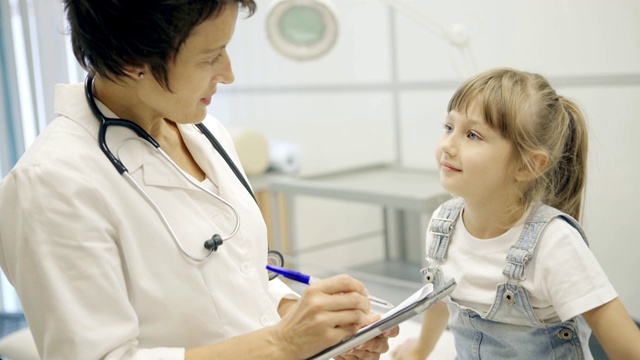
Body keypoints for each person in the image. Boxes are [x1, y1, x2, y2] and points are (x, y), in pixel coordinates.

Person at [0, 1, 398, 359]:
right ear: (129, 60)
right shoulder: (51, 184)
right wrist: (284, 344)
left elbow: (238, 278)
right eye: (210, 57)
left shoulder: (204, 131)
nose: (229, 74)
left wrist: (314, 326)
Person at [391, 67, 640, 359]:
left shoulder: (555, 244)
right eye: (449, 127)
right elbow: (438, 298)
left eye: (472, 135)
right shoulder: (441, 225)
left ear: (528, 166)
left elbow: (628, 348)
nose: (447, 145)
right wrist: (420, 349)